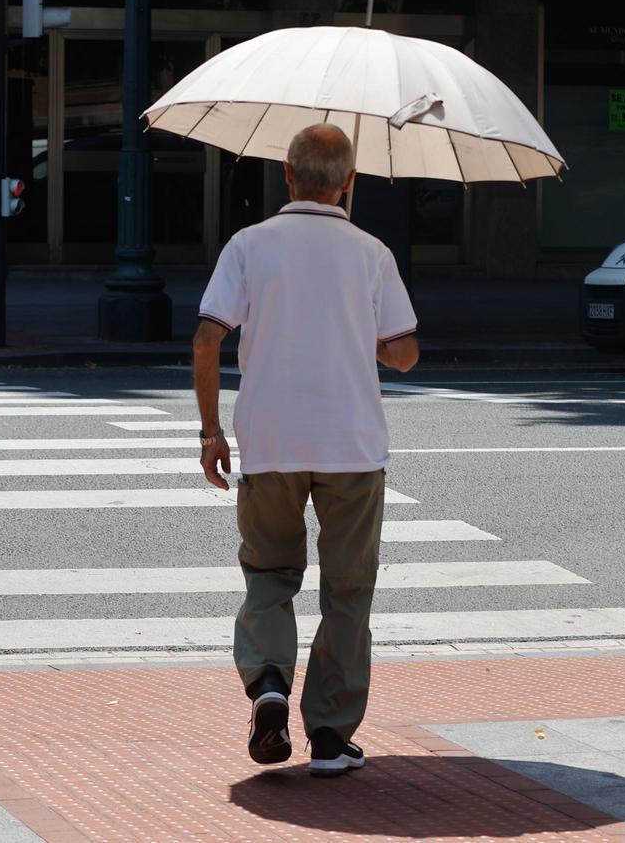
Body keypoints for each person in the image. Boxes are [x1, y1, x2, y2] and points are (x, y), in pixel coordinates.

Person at [192, 124, 419, 777]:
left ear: (287, 178)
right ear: (349, 182)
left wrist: (211, 432)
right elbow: (404, 351)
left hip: (270, 442)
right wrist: (361, 334)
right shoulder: (372, 252)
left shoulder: (249, 245)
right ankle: (327, 733)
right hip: (352, 446)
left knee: (269, 573)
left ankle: (267, 680)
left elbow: (207, 338)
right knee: (348, 590)